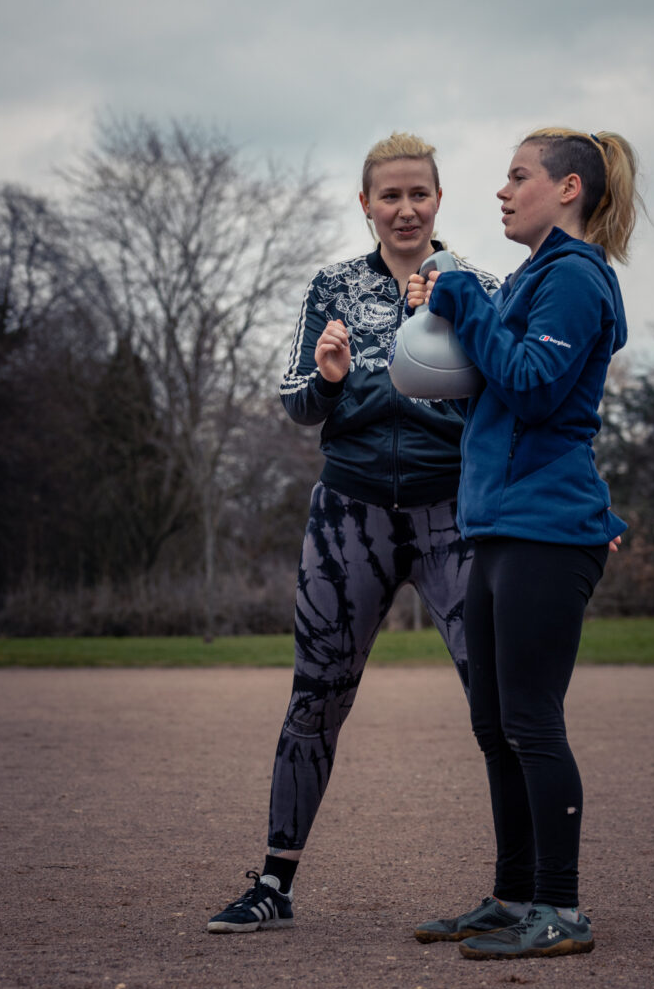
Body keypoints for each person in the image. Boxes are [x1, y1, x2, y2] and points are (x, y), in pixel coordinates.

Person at [207, 132, 498, 933]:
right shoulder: (332, 285)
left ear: (438, 200)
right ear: (365, 204)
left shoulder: (476, 284)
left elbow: (503, 403)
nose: (404, 209)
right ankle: (274, 884)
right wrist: (333, 379)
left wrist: (448, 336)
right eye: (389, 195)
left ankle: (528, 889)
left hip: (454, 518)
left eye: (419, 194)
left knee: (499, 700)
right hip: (350, 516)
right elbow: (298, 402)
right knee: (315, 698)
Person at [410, 128, 642, 959]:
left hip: (548, 531)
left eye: (518, 177)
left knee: (532, 723)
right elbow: (494, 405)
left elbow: (538, 391)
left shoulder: (575, 277)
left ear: (569, 188)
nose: (502, 192)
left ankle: (562, 912)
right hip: (500, 525)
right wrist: (433, 346)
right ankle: (513, 899)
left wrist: (466, 298)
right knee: (494, 724)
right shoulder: (532, 280)